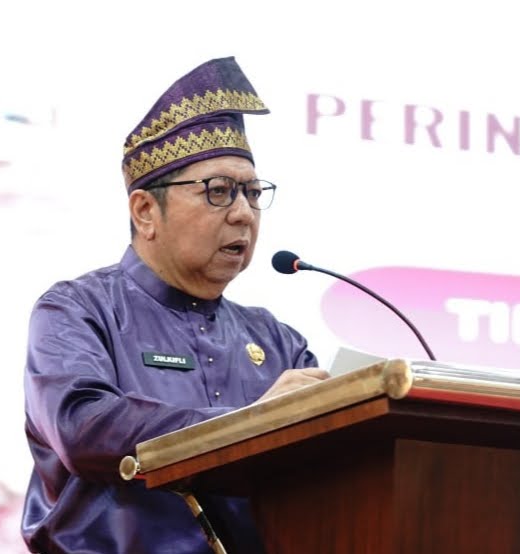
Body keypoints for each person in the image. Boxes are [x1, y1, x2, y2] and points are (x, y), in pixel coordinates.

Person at [20, 56, 328, 554]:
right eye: (219, 191)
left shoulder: (278, 343)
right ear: (146, 211)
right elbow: (85, 426)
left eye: (253, 193)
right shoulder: (77, 311)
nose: (244, 214)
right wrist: (250, 423)